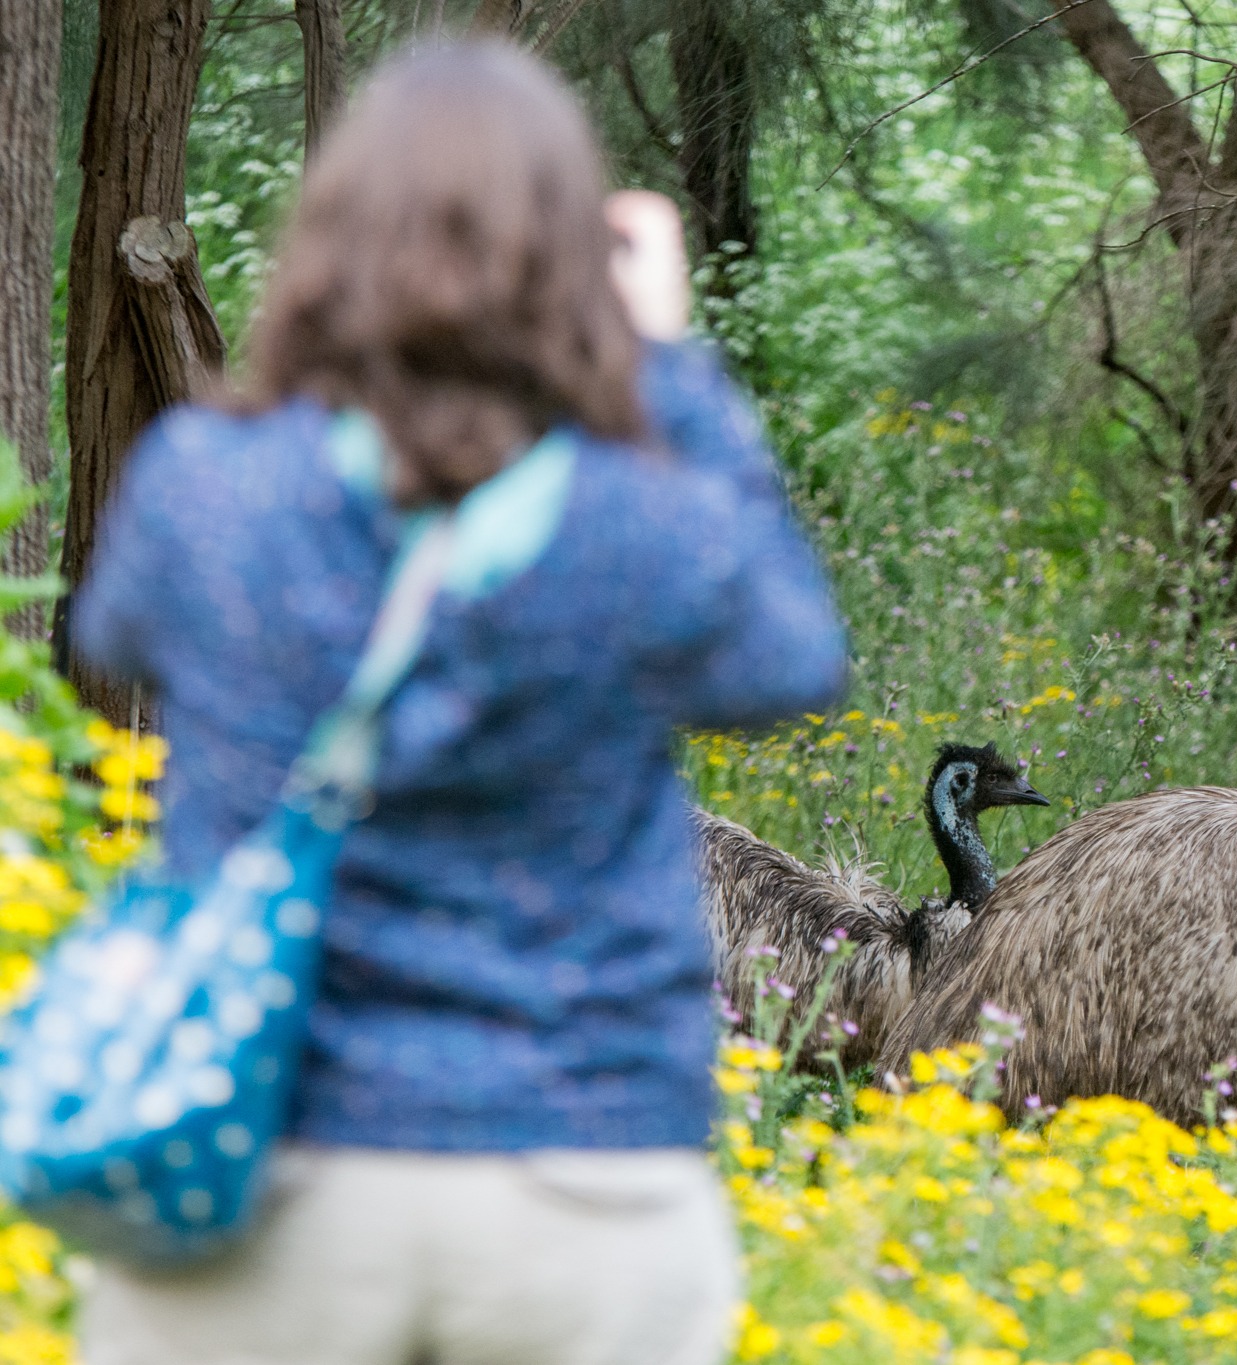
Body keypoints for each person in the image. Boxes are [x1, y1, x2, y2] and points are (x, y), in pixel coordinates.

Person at [68, 41, 846, 1365]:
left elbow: (114, 625)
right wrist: (664, 369)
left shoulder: (212, 480)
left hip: (258, 1170)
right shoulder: (624, 512)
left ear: (329, 244)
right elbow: (787, 655)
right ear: (575, 274)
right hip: (576, 1180)